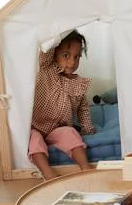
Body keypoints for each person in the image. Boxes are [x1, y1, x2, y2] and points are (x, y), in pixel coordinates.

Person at [28, 30, 95, 180]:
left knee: (71, 133)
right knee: (34, 140)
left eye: (77, 57)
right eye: (66, 55)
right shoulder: (47, 69)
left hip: (58, 129)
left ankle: (85, 168)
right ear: (54, 54)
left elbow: (83, 108)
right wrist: (61, 31)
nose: (72, 62)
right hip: (36, 126)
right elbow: (46, 48)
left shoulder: (78, 84)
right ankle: (48, 173)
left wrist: (87, 128)